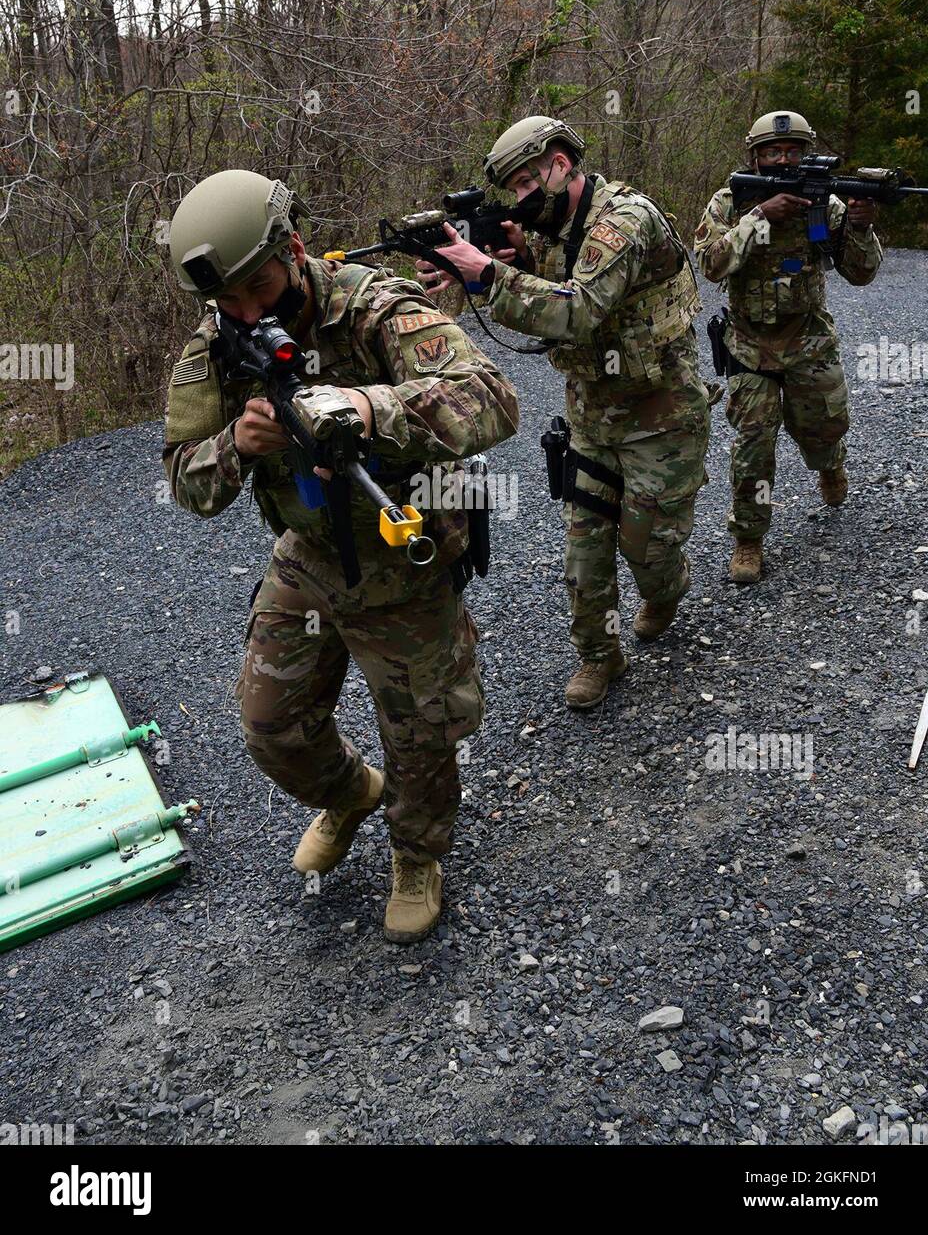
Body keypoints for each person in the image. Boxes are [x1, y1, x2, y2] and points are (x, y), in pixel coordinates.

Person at [163, 169, 518, 942]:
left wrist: (368, 405)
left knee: (422, 733)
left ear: (294, 250)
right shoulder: (217, 344)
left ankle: (417, 854)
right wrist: (237, 445)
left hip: (407, 550)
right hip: (313, 551)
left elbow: (491, 399)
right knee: (272, 727)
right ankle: (354, 794)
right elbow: (184, 482)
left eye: (262, 288)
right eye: (231, 302)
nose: (251, 313)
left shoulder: (375, 305)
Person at [418, 117, 711, 711]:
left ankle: (665, 590)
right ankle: (598, 656)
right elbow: (543, 285)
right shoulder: (550, 227)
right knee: (585, 557)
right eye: (515, 188)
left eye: (529, 181)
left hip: (662, 416)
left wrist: (489, 274)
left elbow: (575, 313)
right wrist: (494, 263)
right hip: (593, 417)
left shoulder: (623, 220)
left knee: (648, 551)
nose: (523, 198)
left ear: (560, 162)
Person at [694, 110, 882, 583]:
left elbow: (861, 274)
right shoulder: (729, 201)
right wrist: (759, 217)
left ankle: (829, 464)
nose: (782, 159)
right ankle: (749, 540)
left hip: (809, 339)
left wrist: (859, 226)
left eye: (792, 151)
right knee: (753, 446)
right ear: (754, 157)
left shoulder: (825, 203)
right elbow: (711, 264)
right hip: (749, 344)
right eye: (772, 152)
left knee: (823, 426)